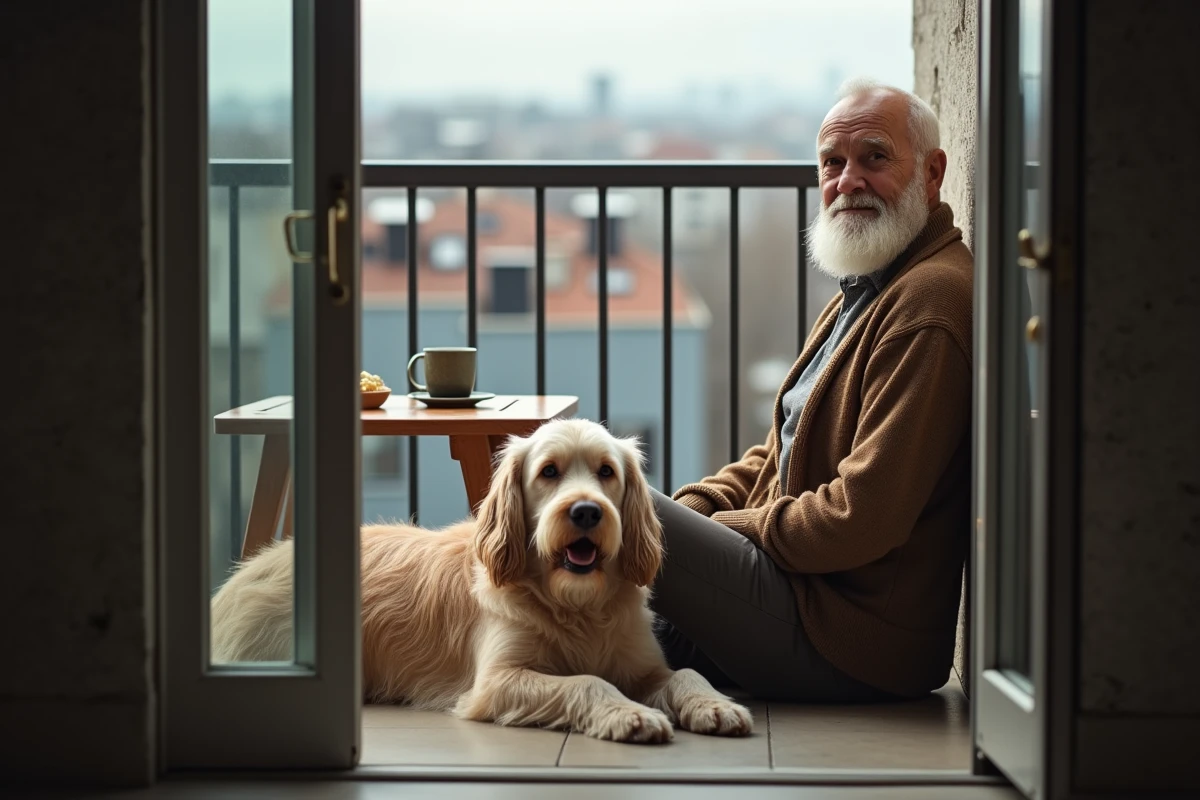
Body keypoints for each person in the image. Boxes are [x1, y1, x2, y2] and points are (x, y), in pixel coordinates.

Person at [650, 77, 973, 703]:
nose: (847, 180)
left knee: (596, 495)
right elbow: (771, 454)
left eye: (874, 158)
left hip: (850, 639)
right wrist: (695, 513)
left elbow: (861, 518)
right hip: (791, 593)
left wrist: (720, 533)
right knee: (577, 619)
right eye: (833, 162)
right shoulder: (868, 289)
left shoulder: (930, 303)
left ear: (932, 174)